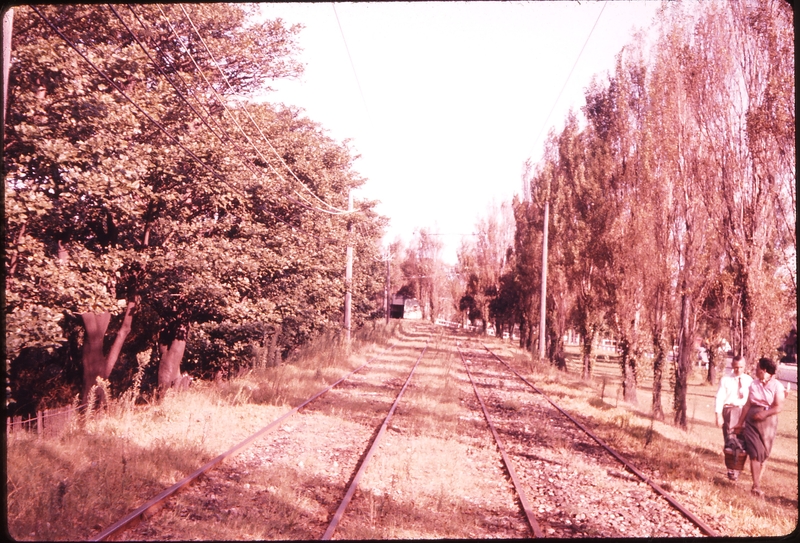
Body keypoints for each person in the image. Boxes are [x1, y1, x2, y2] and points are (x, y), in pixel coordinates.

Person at [733, 357, 786, 497]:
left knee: (764, 454)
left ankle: (756, 483)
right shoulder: (754, 384)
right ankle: (756, 486)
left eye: (757, 368)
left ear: (763, 370)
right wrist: (740, 423)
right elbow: (747, 405)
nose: (755, 370)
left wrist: (765, 414)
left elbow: (778, 407)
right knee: (754, 453)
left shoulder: (777, 386)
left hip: (768, 422)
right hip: (752, 420)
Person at [714, 356, 752, 480]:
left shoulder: (749, 380)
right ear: (732, 366)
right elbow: (719, 397)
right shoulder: (726, 380)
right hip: (730, 410)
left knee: (742, 441)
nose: (738, 370)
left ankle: (738, 469)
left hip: (744, 411)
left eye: (741, 367)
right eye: (736, 367)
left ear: (744, 366)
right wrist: (718, 414)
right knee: (730, 440)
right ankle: (730, 469)